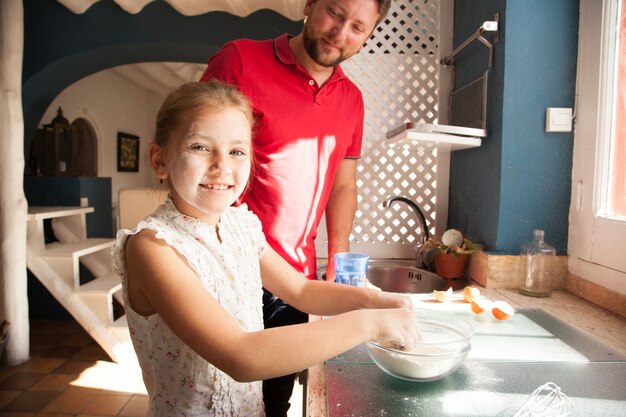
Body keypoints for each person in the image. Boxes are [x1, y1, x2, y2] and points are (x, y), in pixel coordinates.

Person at [111, 80, 420, 417]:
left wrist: (376, 300)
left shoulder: (240, 226)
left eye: (236, 151)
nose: (222, 165)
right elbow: (240, 355)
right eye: (200, 147)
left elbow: (300, 290)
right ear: (160, 160)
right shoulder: (153, 247)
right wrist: (369, 324)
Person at [199, 0, 392, 413]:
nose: (340, 34)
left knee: (273, 405)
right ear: (309, 4)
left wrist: (337, 255)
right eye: (335, 14)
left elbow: (343, 185)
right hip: (227, 270)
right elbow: (196, 150)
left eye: (358, 27)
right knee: (213, 398)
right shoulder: (239, 61)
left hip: (294, 282)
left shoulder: (352, 100)